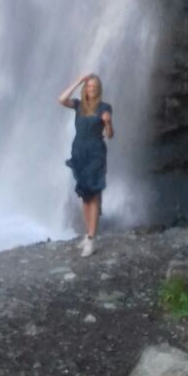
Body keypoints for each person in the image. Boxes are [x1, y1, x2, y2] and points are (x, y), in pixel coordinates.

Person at [58, 72, 114, 257]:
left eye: (94, 87)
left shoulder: (105, 107)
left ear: (98, 90)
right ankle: (87, 235)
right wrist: (78, 80)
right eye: (89, 86)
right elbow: (61, 99)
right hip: (79, 151)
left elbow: (111, 135)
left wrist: (108, 122)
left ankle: (92, 239)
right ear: (85, 89)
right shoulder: (79, 105)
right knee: (84, 195)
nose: (91, 89)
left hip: (96, 152)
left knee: (95, 194)